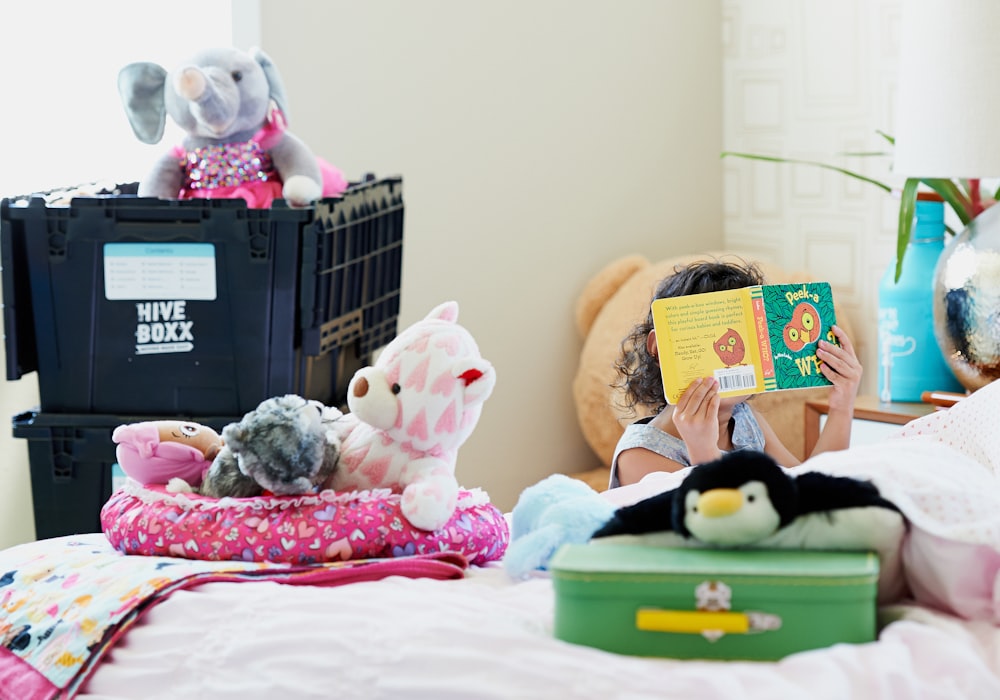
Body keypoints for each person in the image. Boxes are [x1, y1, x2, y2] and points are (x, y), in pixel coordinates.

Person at [608, 258, 862, 489]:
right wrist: (703, 450)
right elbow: (727, 527)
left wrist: (842, 402)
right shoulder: (639, 455)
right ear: (658, 350)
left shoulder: (744, 421)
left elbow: (806, 490)